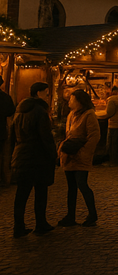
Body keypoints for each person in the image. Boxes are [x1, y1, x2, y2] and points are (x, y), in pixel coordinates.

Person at [10, 82, 57, 237]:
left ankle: (18, 226)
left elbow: (12, 136)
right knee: (40, 191)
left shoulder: (19, 111)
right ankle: (40, 223)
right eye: (46, 92)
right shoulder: (40, 112)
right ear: (38, 93)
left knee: (21, 194)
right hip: (37, 156)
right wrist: (52, 154)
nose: (48, 95)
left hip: (21, 154)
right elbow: (46, 137)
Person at [58, 89, 101, 226]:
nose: (69, 101)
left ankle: (92, 214)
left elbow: (94, 136)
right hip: (70, 155)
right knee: (71, 187)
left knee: (82, 184)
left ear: (79, 101)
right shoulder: (71, 115)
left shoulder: (89, 115)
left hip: (81, 155)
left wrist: (84, 152)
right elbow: (68, 134)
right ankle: (71, 216)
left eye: (72, 99)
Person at [0, 75, 16, 186]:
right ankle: (3, 179)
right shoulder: (4, 97)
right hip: (1, 130)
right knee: (2, 156)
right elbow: (11, 111)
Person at [104, 86, 118, 166]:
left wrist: (104, 116)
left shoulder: (112, 99)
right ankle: (117, 159)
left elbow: (109, 112)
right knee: (117, 142)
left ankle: (112, 161)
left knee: (112, 143)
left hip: (113, 123)